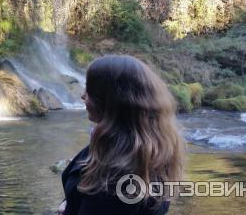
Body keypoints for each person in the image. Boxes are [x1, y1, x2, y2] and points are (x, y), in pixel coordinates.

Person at [57, 55, 185, 215]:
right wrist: (70, 202)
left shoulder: (115, 175)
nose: (83, 96)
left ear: (111, 102)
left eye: (89, 90)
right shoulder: (150, 149)